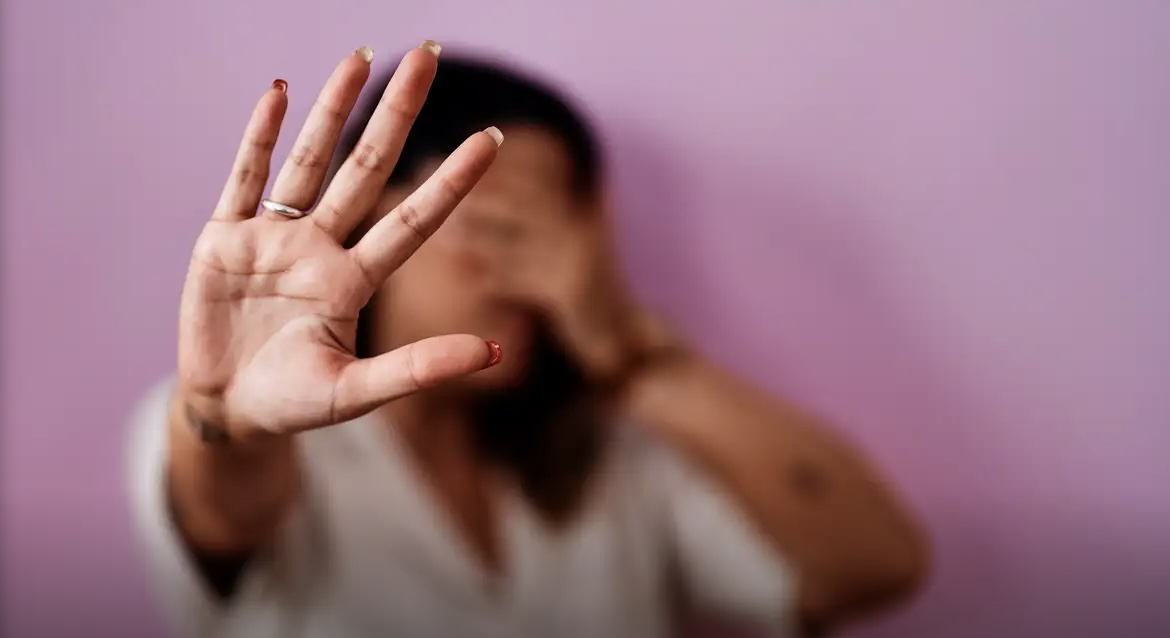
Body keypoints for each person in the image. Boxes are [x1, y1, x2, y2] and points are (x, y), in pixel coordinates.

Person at [127, 41, 929, 638]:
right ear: (379, 209)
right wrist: (221, 419)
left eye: (562, 242)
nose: (538, 282)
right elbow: (224, 508)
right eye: (504, 229)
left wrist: (624, 350)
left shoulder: (613, 465)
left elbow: (876, 562)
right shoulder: (260, 437)